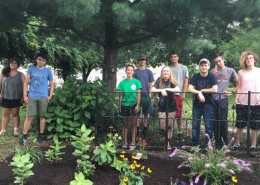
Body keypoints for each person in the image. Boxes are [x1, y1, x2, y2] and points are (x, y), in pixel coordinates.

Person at [19, 53, 54, 144]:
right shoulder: (31, 70)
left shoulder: (48, 71)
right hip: (32, 97)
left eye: (43, 60)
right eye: (39, 59)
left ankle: (41, 135)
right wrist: (25, 95)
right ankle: (24, 136)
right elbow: (26, 83)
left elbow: (51, 83)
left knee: (43, 116)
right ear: (36, 60)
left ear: (45, 62)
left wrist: (50, 95)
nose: (41, 61)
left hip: (43, 97)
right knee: (29, 116)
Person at [234, 51, 260, 155]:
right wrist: (237, 97)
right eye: (247, 58)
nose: (249, 60)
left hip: (256, 102)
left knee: (255, 125)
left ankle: (253, 146)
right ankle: (237, 144)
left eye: (250, 58)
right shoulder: (241, 72)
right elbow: (239, 86)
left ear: (254, 59)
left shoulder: (259, 71)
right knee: (239, 124)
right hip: (242, 101)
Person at [188, 58, 218, 146]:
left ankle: (208, 146)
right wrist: (198, 92)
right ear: (199, 67)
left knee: (208, 127)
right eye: (202, 65)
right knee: (195, 126)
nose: (204, 67)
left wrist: (202, 90)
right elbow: (189, 88)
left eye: (205, 65)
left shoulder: (212, 76)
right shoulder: (195, 76)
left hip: (208, 105)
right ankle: (195, 146)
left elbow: (215, 89)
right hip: (197, 105)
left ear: (208, 66)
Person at [211, 54, 238, 149]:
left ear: (223, 60)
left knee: (223, 121)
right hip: (212, 99)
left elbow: (239, 83)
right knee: (215, 122)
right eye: (216, 62)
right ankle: (217, 143)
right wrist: (213, 75)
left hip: (223, 99)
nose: (218, 63)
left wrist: (232, 92)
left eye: (219, 61)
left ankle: (224, 143)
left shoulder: (230, 71)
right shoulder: (212, 72)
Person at [151, 66, 180, 150]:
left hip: (171, 105)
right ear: (162, 73)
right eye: (164, 71)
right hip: (162, 105)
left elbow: (177, 88)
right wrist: (161, 90)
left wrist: (166, 89)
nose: (166, 73)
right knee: (162, 126)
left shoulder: (172, 80)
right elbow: (152, 89)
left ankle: (168, 142)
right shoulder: (159, 80)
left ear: (170, 72)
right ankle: (166, 137)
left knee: (170, 125)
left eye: (167, 71)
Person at [117, 65, 142, 149]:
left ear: (133, 72)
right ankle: (124, 141)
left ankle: (133, 142)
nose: (130, 72)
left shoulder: (137, 82)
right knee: (125, 124)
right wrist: (119, 106)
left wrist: (138, 105)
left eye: (131, 70)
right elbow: (120, 96)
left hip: (133, 104)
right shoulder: (122, 83)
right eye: (128, 70)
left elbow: (139, 95)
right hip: (125, 105)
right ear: (126, 71)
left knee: (133, 124)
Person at [0, 58, 25, 136]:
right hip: (5, 97)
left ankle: (15, 130)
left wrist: (23, 97)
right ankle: (3, 130)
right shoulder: (4, 73)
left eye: (15, 63)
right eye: (11, 63)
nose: (13, 64)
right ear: (9, 64)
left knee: (15, 114)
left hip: (16, 97)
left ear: (18, 65)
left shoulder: (21, 75)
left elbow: (24, 86)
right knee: (5, 114)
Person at [133, 54, 154, 140]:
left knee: (146, 114)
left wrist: (150, 94)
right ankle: (137, 132)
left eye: (143, 60)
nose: (142, 61)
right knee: (137, 114)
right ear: (138, 61)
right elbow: (133, 83)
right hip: (137, 95)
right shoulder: (135, 72)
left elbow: (151, 83)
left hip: (146, 95)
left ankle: (145, 132)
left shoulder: (149, 72)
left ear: (145, 61)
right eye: (141, 60)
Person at [170, 52, 189, 140]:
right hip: (169, 94)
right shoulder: (168, 68)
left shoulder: (183, 68)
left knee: (179, 114)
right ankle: (170, 133)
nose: (173, 58)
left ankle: (179, 131)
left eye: (175, 57)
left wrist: (183, 92)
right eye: (172, 57)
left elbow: (186, 81)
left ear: (178, 57)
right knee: (170, 114)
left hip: (179, 94)